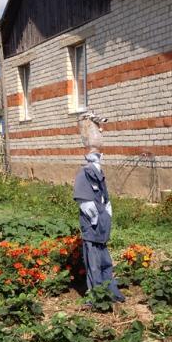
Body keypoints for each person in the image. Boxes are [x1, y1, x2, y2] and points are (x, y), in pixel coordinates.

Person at [73, 112, 125, 303]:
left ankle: (110, 291)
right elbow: (85, 202)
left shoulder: (98, 172)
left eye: (98, 155)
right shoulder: (84, 174)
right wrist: (97, 219)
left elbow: (104, 198)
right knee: (94, 264)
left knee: (105, 262)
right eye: (94, 155)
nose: (97, 158)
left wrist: (106, 214)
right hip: (93, 230)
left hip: (101, 230)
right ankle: (97, 296)